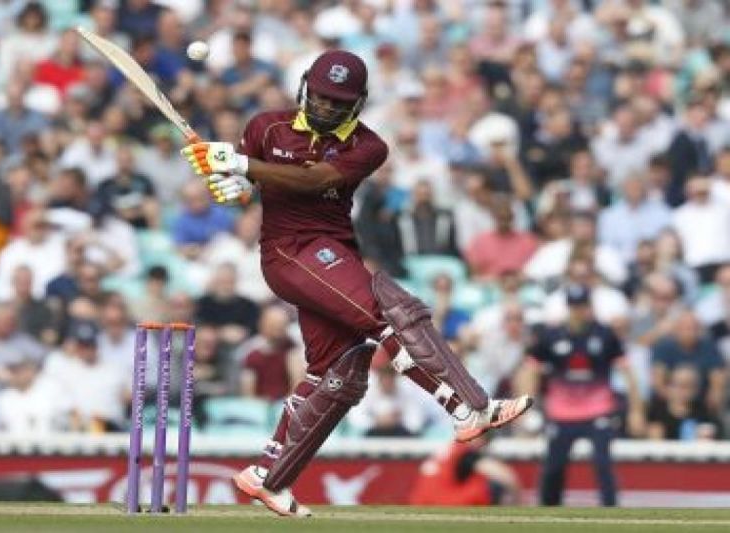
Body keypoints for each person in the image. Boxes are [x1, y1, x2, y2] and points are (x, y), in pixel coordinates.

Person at [181, 49, 531, 517]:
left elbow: (312, 180)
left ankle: (268, 476)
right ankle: (467, 406)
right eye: (320, 97)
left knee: (342, 373)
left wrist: (243, 169)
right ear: (306, 86)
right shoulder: (265, 127)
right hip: (287, 250)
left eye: (336, 102)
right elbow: (249, 189)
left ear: (358, 103)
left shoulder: (369, 146)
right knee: (389, 309)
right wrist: (235, 188)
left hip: (332, 250)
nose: (325, 108)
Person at [516, 284, 645, 507]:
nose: (578, 311)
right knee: (554, 466)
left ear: (589, 306)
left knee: (603, 463)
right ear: (568, 307)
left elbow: (627, 372)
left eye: (582, 306)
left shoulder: (605, 334)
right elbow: (530, 370)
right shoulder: (551, 336)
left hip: (598, 410)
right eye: (574, 306)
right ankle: (548, 513)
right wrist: (523, 407)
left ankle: (610, 512)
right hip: (561, 413)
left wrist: (636, 411)